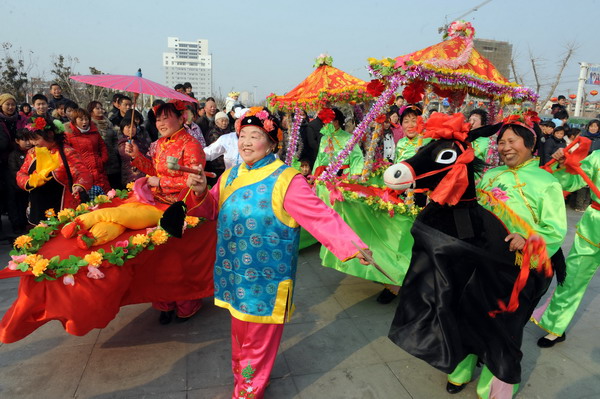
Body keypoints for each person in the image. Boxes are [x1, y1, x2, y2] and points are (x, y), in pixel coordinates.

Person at [183, 106, 371, 398]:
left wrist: (352, 244)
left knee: (256, 345)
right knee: (239, 340)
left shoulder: (287, 180)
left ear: (272, 143)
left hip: (265, 284)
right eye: (242, 135)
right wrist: (199, 191)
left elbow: (321, 216)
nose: (245, 142)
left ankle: (247, 389)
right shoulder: (231, 174)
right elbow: (211, 210)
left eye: (255, 135)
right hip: (234, 276)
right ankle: (245, 379)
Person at [446, 112, 567, 398]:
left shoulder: (545, 181)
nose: (505, 147)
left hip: (519, 268)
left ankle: (494, 385)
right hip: (480, 261)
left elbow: (555, 228)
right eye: (501, 142)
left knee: (504, 327)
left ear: (529, 145)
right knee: (467, 315)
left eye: (512, 141)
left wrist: (527, 238)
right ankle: (461, 369)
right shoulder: (489, 174)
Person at [531, 148, 600, 348]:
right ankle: (555, 325)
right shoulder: (597, 157)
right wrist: (563, 164)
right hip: (594, 226)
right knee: (572, 277)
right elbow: (571, 181)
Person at [16, 116, 91, 225]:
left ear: (50, 134)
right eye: (31, 139)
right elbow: (21, 173)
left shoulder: (66, 152)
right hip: (38, 202)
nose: (33, 142)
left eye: (36, 139)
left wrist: (79, 185)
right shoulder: (32, 153)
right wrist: (30, 181)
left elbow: (83, 173)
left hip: (62, 202)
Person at [64, 108, 111, 194]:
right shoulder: (69, 135)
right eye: (81, 120)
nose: (84, 122)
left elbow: (102, 146)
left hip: (98, 168)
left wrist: (103, 160)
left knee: (104, 197)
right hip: (82, 171)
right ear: (75, 121)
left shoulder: (95, 132)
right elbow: (67, 154)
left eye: (86, 119)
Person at [0, 93, 27, 240]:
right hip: (4, 161)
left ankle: (23, 221)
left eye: (12, 104)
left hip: (21, 157)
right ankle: (15, 223)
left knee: (22, 193)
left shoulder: (21, 119)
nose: (10, 107)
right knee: (10, 194)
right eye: (7, 104)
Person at [312, 108, 364, 177]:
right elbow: (319, 158)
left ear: (336, 122)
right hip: (324, 175)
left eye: (328, 122)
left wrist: (355, 174)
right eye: (324, 122)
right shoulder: (324, 138)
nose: (324, 125)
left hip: (343, 175)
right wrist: (314, 175)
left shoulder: (348, 137)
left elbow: (357, 157)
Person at [88, 101, 120, 189]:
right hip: (99, 159)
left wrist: (115, 149)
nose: (100, 110)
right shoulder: (90, 125)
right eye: (97, 108)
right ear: (91, 111)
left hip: (113, 158)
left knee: (116, 185)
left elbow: (115, 138)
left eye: (101, 108)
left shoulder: (108, 123)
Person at [7, 128, 32, 234]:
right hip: (19, 188)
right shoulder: (14, 155)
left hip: (33, 187)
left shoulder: (34, 152)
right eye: (24, 140)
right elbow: (14, 172)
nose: (27, 143)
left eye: (29, 140)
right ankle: (18, 226)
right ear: (17, 141)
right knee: (19, 208)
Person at [117, 117, 149, 186]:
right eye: (128, 127)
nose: (131, 129)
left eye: (134, 127)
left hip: (144, 173)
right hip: (131, 177)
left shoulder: (139, 140)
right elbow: (127, 154)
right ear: (122, 129)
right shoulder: (123, 143)